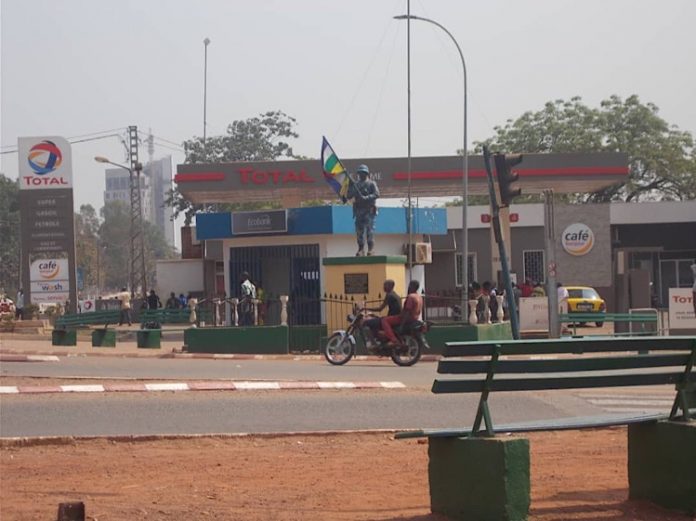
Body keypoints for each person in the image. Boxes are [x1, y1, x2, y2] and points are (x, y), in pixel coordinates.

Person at [344, 164, 380, 256]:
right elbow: (349, 196)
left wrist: (366, 197)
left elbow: (376, 194)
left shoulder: (371, 184)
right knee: (359, 231)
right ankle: (361, 249)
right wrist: (350, 186)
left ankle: (371, 249)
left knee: (369, 231)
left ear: (367, 173)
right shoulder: (356, 185)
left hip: (369, 210)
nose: (361, 175)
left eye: (363, 173)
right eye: (360, 173)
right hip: (359, 210)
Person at [381, 280, 423, 348]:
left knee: (384, 320)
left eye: (410, 286)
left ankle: (393, 340)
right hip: (414, 318)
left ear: (413, 287)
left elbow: (407, 311)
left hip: (405, 318)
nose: (408, 287)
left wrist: (401, 325)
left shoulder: (411, 297)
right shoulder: (419, 297)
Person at [363, 280, 402, 348]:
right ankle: (379, 340)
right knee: (375, 320)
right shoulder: (395, 294)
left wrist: (365, 309)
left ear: (390, 286)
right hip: (393, 317)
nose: (383, 287)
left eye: (385, 285)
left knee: (366, 323)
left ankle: (373, 343)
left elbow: (380, 309)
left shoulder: (390, 295)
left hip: (392, 318)